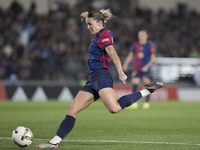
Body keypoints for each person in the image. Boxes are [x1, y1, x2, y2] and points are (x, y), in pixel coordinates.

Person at [34, 9, 163, 149]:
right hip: (92, 78)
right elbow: (95, 20)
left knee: (114, 108)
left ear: (100, 23)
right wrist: (87, 16)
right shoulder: (100, 33)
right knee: (72, 110)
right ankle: (54, 142)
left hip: (101, 75)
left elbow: (113, 53)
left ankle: (146, 91)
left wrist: (120, 71)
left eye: (90, 24)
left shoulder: (104, 35)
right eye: (87, 24)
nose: (88, 27)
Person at [123, 30, 156, 109]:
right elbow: (130, 55)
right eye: (140, 35)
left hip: (146, 69)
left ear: (146, 36)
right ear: (138, 36)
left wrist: (147, 67)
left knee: (147, 84)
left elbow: (153, 58)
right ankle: (134, 102)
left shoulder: (149, 46)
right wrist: (125, 64)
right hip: (137, 68)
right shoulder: (135, 45)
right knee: (134, 83)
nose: (141, 36)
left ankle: (147, 103)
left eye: (143, 35)